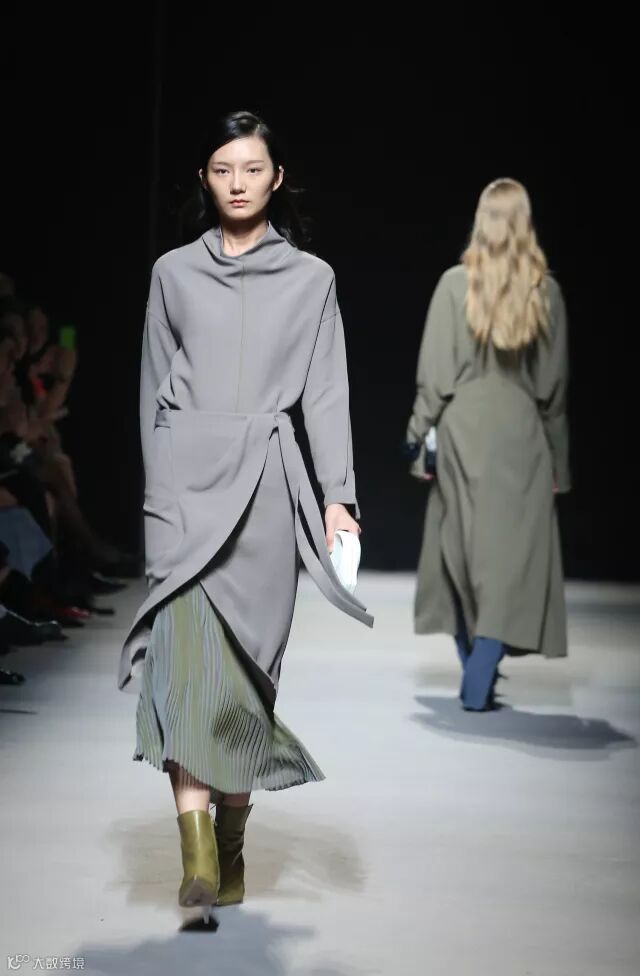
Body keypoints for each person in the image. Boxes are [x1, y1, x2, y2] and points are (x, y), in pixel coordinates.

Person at [119, 110, 373, 919]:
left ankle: (230, 842)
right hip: (186, 492)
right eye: (223, 168)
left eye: (252, 168)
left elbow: (325, 393)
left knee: (245, 689)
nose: (237, 183)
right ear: (204, 177)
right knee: (184, 676)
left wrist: (337, 498)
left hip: (264, 492)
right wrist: (157, 498)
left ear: (277, 177)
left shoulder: (311, 279)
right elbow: (152, 391)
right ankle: (197, 856)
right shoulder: (172, 274)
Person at [405, 178, 570, 712]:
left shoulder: (454, 285)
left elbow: (434, 376)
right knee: (510, 560)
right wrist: (559, 463)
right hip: (522, 432)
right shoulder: (545, 292)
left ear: (481, 220)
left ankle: (475, 663)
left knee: (457, 548)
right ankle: (485, 663)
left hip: (463, 429)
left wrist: (417, 439)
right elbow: (553, 390)